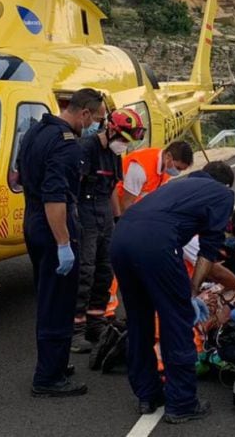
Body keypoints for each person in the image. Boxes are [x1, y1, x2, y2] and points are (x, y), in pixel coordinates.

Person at [110, 161, 235, 424]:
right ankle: (182, 403)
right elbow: (209, 250)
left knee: (138, 321)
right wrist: (191, 292)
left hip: (120, 238)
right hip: (157, 245)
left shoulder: (179, 185)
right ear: (224, 183)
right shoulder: (222, 194)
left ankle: (147, 395)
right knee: (176, 324)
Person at [17, 88, 107, 397]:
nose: (96, 126)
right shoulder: (68, 146)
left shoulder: (35, 131)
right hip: (53, 224)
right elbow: (55, 198)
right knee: (58, 303)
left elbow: (19, 176)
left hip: (32, 220)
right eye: (98, 119)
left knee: (46, 297)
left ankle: (54, 364)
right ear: (84, 113)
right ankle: (48, 378)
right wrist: (64, 243)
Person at [72, 108, 147, 354]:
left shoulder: (114, 156)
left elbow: (113, 187)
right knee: (85, 271)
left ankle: (96, 322)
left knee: (105, 271)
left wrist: (117, 219)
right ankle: (75, 331)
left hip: (104, 213)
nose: (124, 144)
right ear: (112, 129)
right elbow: (75, 187)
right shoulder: (86, 148)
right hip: (85, 214)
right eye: (124, 139)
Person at [116, 140, 194, 213]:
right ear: (168, 156)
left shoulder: (166, 166)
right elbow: (126, 204)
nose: (178, 172)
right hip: (118, 208)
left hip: (138, 207)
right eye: (178, 168)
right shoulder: (140, 169)